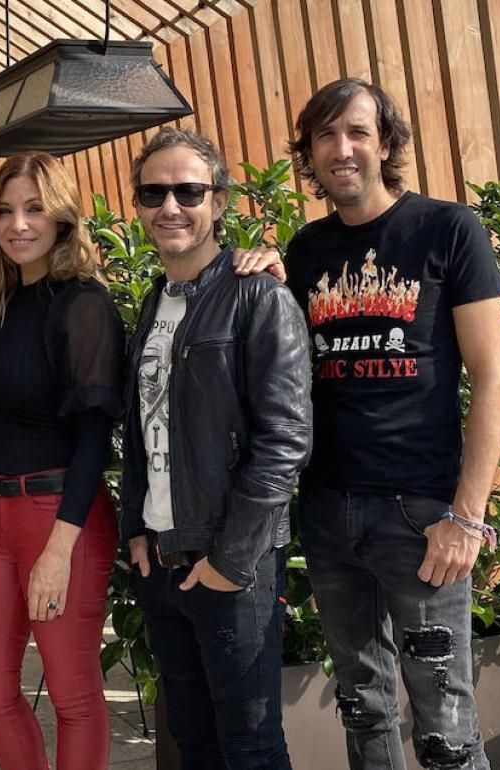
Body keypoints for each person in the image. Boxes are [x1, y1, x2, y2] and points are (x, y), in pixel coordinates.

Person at [279, 77, 500, 770]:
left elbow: (492, 378)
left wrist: (467, 517)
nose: (341, 148)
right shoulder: (306, 250)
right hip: (329, 509)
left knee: (445, 725)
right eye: (325, 135)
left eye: (357, 132)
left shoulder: (448, 229)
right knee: (363, 706)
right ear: (310, 153)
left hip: (421, 514)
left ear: (385, 144)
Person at [119, 127, 313, 769]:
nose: (170, 206)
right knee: (193, 740)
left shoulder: (259, 296)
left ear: (220, 200)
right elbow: (143, 425)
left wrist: (231, 560)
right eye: (154, 193)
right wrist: (136, 527)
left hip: (232, 563)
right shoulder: (156, 302)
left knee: (251, 747)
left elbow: (284, 441)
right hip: (162, 559)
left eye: (188, 191)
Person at [0, 152, 124, 769]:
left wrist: (59, 550)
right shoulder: (1, 302)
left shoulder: (83, 305)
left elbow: (94, 437)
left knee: (72, 692)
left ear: (62, 218)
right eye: (5, 211)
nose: (18, 224)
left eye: (34, 208)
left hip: (60, 515)